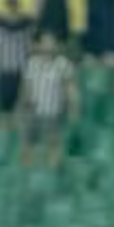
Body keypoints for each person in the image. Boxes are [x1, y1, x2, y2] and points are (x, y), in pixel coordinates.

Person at [20, 32, 78, 167]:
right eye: (45, 42)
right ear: (40, 45)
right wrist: (25, 106)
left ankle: (51, 176)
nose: (48, 45)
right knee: (27, 146)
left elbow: (71, 90)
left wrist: (73, 109)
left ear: (56, 45)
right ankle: (27, 176)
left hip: (53, 114)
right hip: (33, 113)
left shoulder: (63, 64)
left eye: (51, 42)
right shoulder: (31, 63)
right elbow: (26, 88)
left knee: (53, 146)